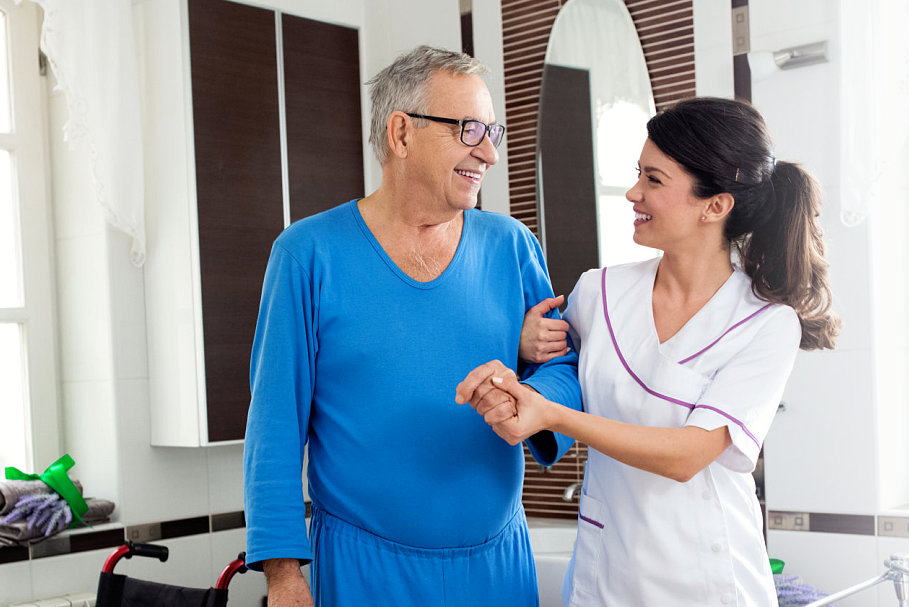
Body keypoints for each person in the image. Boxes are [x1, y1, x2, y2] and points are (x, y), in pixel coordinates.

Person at [455, 97, 839, 606]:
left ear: (715, 206)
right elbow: (554, 369)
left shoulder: (765, 324)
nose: (634, 193)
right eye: (638, 174)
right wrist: (524, 343)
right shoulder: (599, 293)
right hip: (606, 576)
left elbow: (687, 456)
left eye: (654, 180)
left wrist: (554, 416)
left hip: (709, 582)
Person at [243, 45, 582, 606]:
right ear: (401, 133)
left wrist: (529, 398)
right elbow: (274, 424)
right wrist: (283, 576)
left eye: (492, 132)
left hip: (497, 568)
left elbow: (564, 369)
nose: (489, 153)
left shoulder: (512, 245)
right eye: (469, 130)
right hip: (363, 571)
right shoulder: (307, 255)